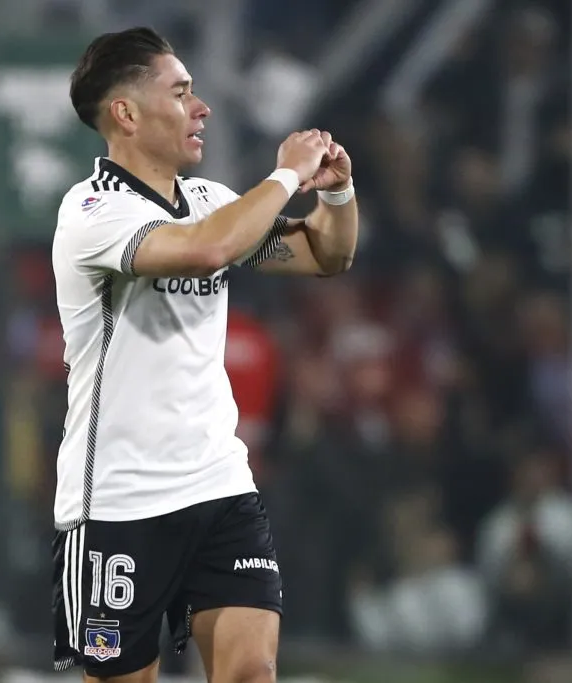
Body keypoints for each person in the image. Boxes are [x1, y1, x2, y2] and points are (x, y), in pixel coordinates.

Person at [51, 27, 359, 683]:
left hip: (218, 485)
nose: (202, 108)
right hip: (117, 500)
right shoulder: (91, 211)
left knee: (251, 672)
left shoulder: (210, 202)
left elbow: (325, 253)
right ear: (125, 113)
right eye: (181, 92)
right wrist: (285, 173)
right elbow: (205, 251)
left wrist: (335, 192)